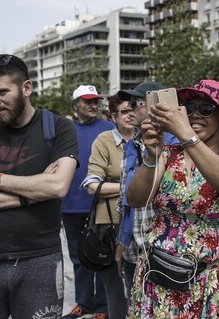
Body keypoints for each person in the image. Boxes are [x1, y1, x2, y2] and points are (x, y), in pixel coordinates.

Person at [0, 54, 78, 318]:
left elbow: (57, 186)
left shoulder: (58, 127)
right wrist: (30, 195)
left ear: (26, 88)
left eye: (2, 91)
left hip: (40, 261)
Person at [126, 79, 219, 318]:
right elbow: (135, 199)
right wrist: (152, 155)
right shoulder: (168, 156)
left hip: (208, 284)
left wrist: (184, 132)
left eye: (206, 110)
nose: (195, 115)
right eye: (189, 108)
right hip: (159, 278)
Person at [114, 81, 179, 297]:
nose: (129, 109)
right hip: (134, 249)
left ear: (155, 104)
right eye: (128, 103)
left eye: (135, 103)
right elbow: (125, 200)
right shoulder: (131, 145)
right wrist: (121, 243)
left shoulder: (176, 145)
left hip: (164, 251)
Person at [80, 95, 134, 319]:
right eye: (124, 111)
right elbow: (92, 184)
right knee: (114, 290)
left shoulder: (147, 138)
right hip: (109, 222)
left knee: (137, 287)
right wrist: (132, 189)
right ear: (113, 117)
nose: (130, 114)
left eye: (133, 109)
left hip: (141, 223)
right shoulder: (104, 140)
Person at [62, 85, 114, 319]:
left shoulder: (109, 128)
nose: (93, 105)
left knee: (103, 255)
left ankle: (103, 306)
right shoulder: (65, 131)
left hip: (101, 205)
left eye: (96, 101)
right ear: (76, 105)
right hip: (70, 205)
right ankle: (84, 303)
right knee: (78, 257)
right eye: (87, 101)